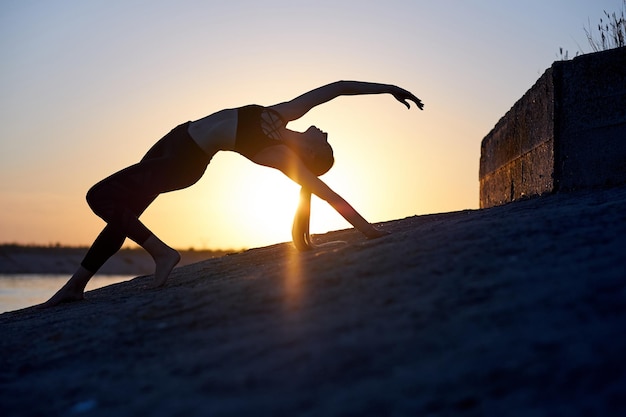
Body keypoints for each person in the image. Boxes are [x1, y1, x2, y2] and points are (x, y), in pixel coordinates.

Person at [41, 80, 423, 307]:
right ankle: (75, 286)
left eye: (326, 144)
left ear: (312, 155)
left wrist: (367, 230)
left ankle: (162, 253)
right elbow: (338, 88)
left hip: (184, 161)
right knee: (123, 209)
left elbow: (325, 193)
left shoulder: (275, 153)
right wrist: (389, 89)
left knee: (100, 196)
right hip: (176, 137)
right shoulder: (283, 114)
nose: (325, 134)